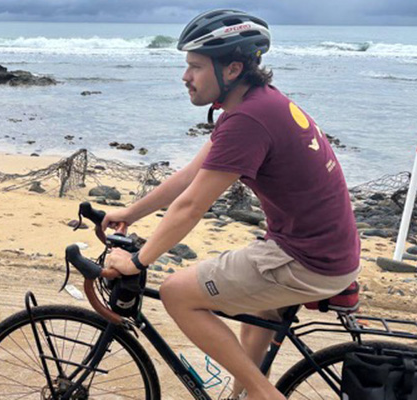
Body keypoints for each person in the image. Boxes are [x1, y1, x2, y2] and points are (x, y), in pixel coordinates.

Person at [101, 9, 361, 400]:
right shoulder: (256, 103)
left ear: (233, 68)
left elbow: (191, 206)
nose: (185, 77)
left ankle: (262, 393)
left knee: (176, 293)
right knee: (256, 317)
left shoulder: (248, 121)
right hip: (322, 251)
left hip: (306, 261)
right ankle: (243, 394)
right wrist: (130, 213)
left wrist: (139, 262)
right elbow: (191, 174)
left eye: (196, 66)